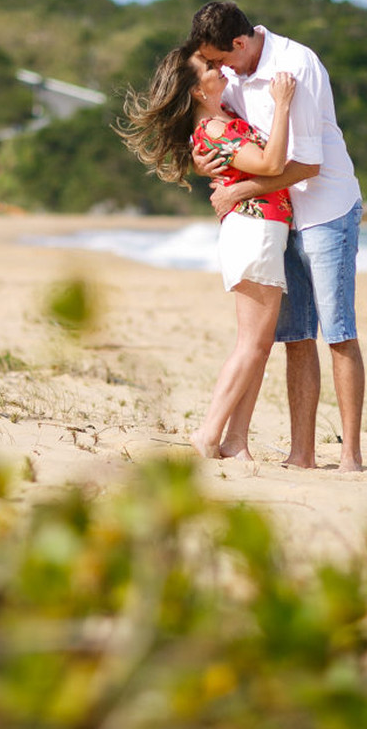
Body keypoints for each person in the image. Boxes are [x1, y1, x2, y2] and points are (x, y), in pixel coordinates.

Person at [189, 0, 365, 471]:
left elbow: (308, 165)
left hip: (325, 209)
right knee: (296, 337)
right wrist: (201, 161)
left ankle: (350, 456)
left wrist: (238, 189)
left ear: (241, 43)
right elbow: (212, 129)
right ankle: (302, 454)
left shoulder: (294, 66)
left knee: (339, 333)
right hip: (277, 220)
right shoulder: (234, 78)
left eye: (222, 58)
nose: (219, 68)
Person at [117, 43, 297, 460]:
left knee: (258, 343)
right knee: (252, 343)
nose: (220, 69)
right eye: (210, 67)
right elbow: (271, 166)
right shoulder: (216, 128)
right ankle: (209, 433)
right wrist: (283, 104)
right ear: (198, 90)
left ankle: (235, 441)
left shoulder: (224, 119)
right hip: (254, 230)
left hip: (262, 229)